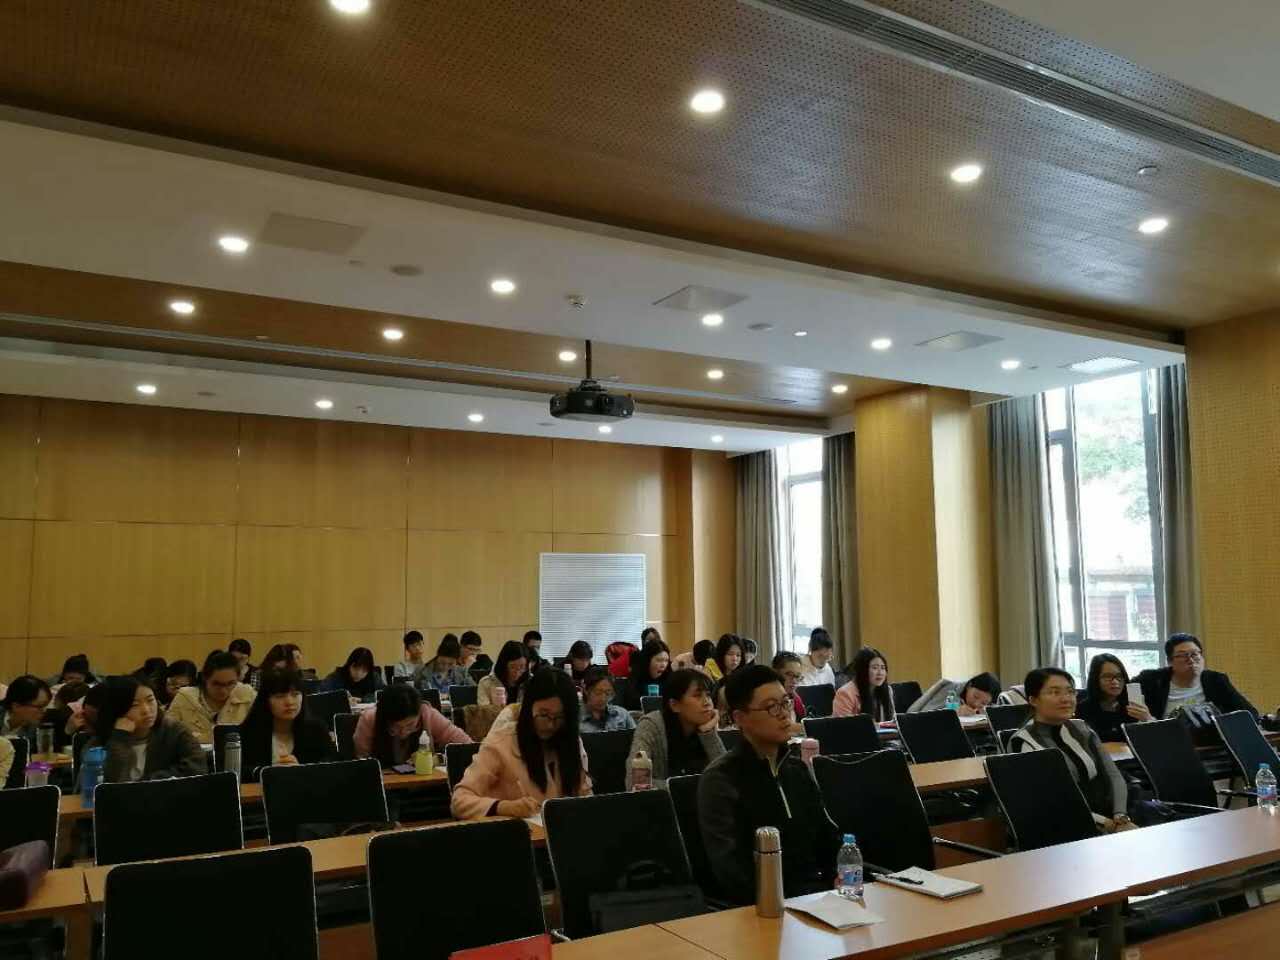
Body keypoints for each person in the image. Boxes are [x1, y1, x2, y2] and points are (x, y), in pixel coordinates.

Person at [698, 665, 840, 905]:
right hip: (765, 908)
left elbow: (826, 836)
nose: (784, 714)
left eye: (785, 703)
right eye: (772, 707)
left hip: (818, 899)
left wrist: (839, 875)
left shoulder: (796, 769)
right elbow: (732, 872)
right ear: (740, 718)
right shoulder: (721, 780)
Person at [451, 668, 591, 819]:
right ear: (528, 708)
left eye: (559, 717)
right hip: (516, 831)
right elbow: (459, 801)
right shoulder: (502, 743)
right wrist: (504, 807)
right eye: (543, 715)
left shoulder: (572, 742)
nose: (551, 724)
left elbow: (585, 796)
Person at [1010, 667, 1134, 833]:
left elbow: (1113, 774)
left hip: (1109, 813)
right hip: (1063, 823)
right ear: (1033, 700)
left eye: (1070, 692)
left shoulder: (1081, 728)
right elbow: (1051, 800)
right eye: (1054, 692)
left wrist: (1120, 816)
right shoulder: (1024, 741)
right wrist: (1106, 823)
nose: (1066, 699)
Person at [92, 677, 206, 783]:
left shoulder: (174, 731)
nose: (146, 710)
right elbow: (111, 783)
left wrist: (147, 782)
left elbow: (197, 768)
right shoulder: (106, 738)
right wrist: (120, 738)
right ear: (117, 710)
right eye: (135, 705)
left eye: (150, 700)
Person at [625, 669, 724, 789]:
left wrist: (708, 733)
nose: (707, 702)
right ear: (674, 705)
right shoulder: (651, 725)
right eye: (697, 696)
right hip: (663, 801)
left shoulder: (706, 728)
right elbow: (635, 783)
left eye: (708, 695)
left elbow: (728, 777)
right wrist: (691, 787)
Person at [238, 668, 338, 780]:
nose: (289, 702)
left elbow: (332, 763)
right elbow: (238, 770)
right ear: (265, 700)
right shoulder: (250, 731)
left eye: (295, 694)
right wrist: (267, 772)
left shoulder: (316, 728)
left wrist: (302, 770)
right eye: (280, 696)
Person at [1136, 634, 1257, 719]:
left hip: (1209, 743)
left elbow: (1249, 714)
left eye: (1195, 654)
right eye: (1182, 655)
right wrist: (1148, 719)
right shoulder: (1151, 680)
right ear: (1170, 661)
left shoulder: (1216, 681)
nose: (1190, 660)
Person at [356, 683, 471, 767]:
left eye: (410, 725)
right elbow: (362, 761)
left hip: (425, 784)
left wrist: (438, 759)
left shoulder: (428, 714)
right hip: (384, 784)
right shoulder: (370, 719)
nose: (403, 732)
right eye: (395, 727)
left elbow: (469, 749)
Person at [167, 650, 257, 745]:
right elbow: (167, 735)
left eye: (230, 683)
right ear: (205, 678)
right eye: (217, 684)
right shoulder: (185, 697)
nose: (223, 690)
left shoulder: (247, 695)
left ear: (238, 679)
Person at [1076, 654, 1153, 742]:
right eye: (1108, 676)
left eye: (1119, 676)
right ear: (1095, 679)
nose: (1115, 681)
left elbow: (1151, 738)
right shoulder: (1084, 708)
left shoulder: (1131, 705)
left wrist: (1148, 719)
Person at [834, 647, 895, 722]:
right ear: (863, 670)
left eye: (883, 668)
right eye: (875, 668)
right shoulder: (845, 694)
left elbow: (893, 722)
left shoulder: (888, 690)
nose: (880, 673)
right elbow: (843, 726)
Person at [908, 673, 1003, 715]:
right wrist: (954, 712)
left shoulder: (990, 704)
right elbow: (925, 714)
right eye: (975, 696)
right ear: (969, 685)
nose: (976, 704)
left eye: (983, 703)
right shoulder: (951, 691)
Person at [578, 667, 636, 733]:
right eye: (598, 692)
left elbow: (636, 737)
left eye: (608, 693)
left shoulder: (622, 714)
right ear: (586, 690)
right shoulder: (575, 718)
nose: (603, 698)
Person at [320, 646, 385, 704]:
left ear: (369, 670)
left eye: (364, 670)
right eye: (355, 668)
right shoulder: (337, 677)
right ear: (349, 665)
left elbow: (383, 695)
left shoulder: (374, 677)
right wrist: (342, 700)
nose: (359, 673)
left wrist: (363, 700)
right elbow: (321, 696)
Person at [0, 675, 51, 744]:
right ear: (16, 706)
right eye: (39, 706)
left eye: (45, 705)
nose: (44, 711)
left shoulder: (42, 727)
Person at [477, 641, 530, 707]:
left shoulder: (532, 681)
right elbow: (484, 711)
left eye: (522, 667)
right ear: (504, 664)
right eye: (512, 667)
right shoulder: (486, 683)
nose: (517, 672)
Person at [624, 639, 673, 710]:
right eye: (659, 660)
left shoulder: (669, 677)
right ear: (647, 660)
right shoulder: (635, 677)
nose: (663, 665)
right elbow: (630, 703)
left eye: (666, 661)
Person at [772, 651, 808, 723]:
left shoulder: (796, 699)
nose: (794, 681)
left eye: (797, 676)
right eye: (789, 674)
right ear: (775, 673)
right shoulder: (768, 702)